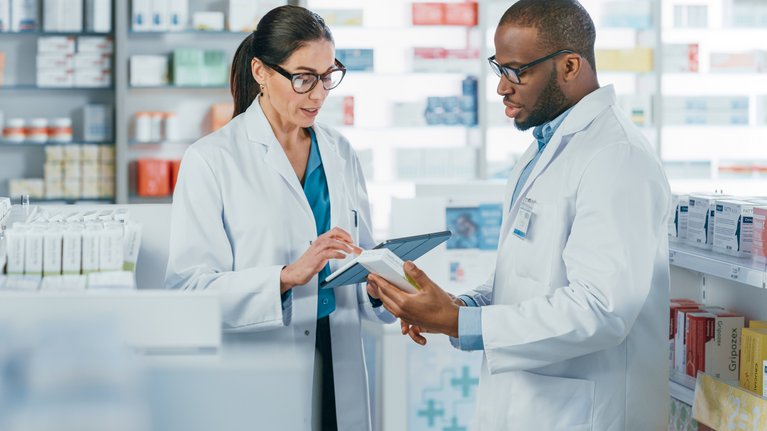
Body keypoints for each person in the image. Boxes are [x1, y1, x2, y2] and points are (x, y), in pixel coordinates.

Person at [367, 0, 672, 429]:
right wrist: (458, 306)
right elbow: (523, 276)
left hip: (586, 413)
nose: (502, 88)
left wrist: (460, 322)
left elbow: (601, 309)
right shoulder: (545, 148)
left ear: (569, 66)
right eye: (499, 68)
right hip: (534, 403)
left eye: (517, 71)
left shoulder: (616, 156)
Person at [165, 5, 394, 430]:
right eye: (304, 78)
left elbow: (358, 259)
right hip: (262, 367)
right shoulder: (211, 159)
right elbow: (188, 290)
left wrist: (381, 286)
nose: (319, 94)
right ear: (261, 72)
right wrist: (285, 277)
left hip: (338, 357)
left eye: (328, 77)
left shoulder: (340, 151)